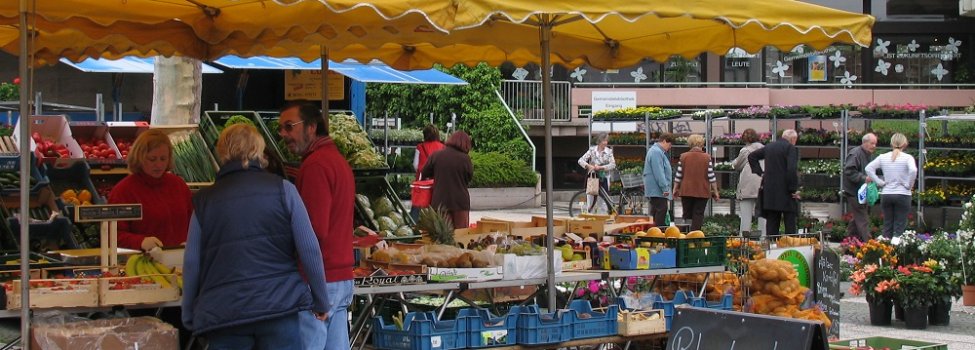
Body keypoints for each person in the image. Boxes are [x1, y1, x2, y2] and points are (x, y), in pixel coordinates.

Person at [181, 124, 329, 349]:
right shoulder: (284, 190)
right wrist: (321, 300)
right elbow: (309, 248)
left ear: (223, 152)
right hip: (278, 308)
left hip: (224, 313)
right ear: (259, 151)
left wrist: (189, 311)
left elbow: (192, 262)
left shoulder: (205, 201)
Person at [278, 102, 356, 350]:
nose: (283, 134)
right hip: (340, 276)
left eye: (289, 127)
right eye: (281, 128)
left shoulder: (315, 165)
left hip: (318, 278)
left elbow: (313, 230)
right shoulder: (337, 161)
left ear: (311, 128)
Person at [108, 129, 192, 251]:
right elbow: (112, 235)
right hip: (143, 262)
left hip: (180, 260)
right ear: (139, 157)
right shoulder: (123, 191)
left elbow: (193, 222)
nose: (158, 165)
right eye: (152, 159)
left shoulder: (179, 185)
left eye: (163, 159)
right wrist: (140, 242)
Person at [749, 129, 800, 237]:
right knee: (790, 224)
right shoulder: (790, 148)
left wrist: (760, 173)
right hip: (786, 191)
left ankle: (771, 247)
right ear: (793, 139)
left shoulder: (769, 146)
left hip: (770, 191)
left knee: (772, 223)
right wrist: (793, 189)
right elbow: (791, 169)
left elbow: (752, 156)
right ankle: (790, 247)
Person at [865, 133, 917, 239]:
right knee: (900, 225)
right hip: (903, 194)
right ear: (905, 144)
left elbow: (868, 168)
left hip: (887, 193)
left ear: (891, 144)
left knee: (887, 224)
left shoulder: (883, 157)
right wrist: (909, 185)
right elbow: (913, 170)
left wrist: (879, 182)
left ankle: (886, 249)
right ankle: (897, 249)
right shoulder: (908, 158)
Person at [421, 131, 474, 229]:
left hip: (440, 201)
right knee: (461, 236)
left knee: (444, 237)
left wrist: (437, 175)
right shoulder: (465, 159)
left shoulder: (436, 155)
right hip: (460, 202)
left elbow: (424, 173)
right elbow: (469, 177)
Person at [672, 134, 718, 231]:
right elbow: (711, 176)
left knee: (687, 214)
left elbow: (678, 175)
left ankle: (686, 233)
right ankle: (695, 235)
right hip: (702, 191)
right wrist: (716, 191)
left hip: (686, 190)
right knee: (698, 214)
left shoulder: (683, 156)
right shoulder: (707, 157)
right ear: (701, 143)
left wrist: (675, 189)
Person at [843, 133, 877, 241]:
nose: (874, 146)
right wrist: (863, 178)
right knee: (862, 217)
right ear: (865, 143)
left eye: (875, 144)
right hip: (854, 191)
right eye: (872, 143)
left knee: (858, 216)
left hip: (861, 191)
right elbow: (849, 170)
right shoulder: (855, 154)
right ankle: (870, 245)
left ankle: (848, 241)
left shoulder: (868, 154)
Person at [732, 129, 766, 238]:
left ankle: (744, 239)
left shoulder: (745, 150)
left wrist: (732, 164)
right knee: (763, 215)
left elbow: (737, 165)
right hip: (763, 183)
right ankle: (763, 238)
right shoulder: (765, 149)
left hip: (747, 186)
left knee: (746, 214)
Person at [411, 124, 445, 220]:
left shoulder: (420, 147)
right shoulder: (442, 147)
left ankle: (413, 224)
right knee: (436, 207)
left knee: (417, 205)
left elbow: (415, 165)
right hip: (437, 182)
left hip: (422, 182)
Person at [643, 133, 675, 226]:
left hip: (656, 190)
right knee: (661, 210)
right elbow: (659, 172)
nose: (670, 147)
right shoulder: (656, 152)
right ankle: (658, 234)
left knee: (656, 211)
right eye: (669, 144)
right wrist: (665, 188)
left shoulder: (657, 151)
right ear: (664, 141)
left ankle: (655, 233)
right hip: (657, 190)